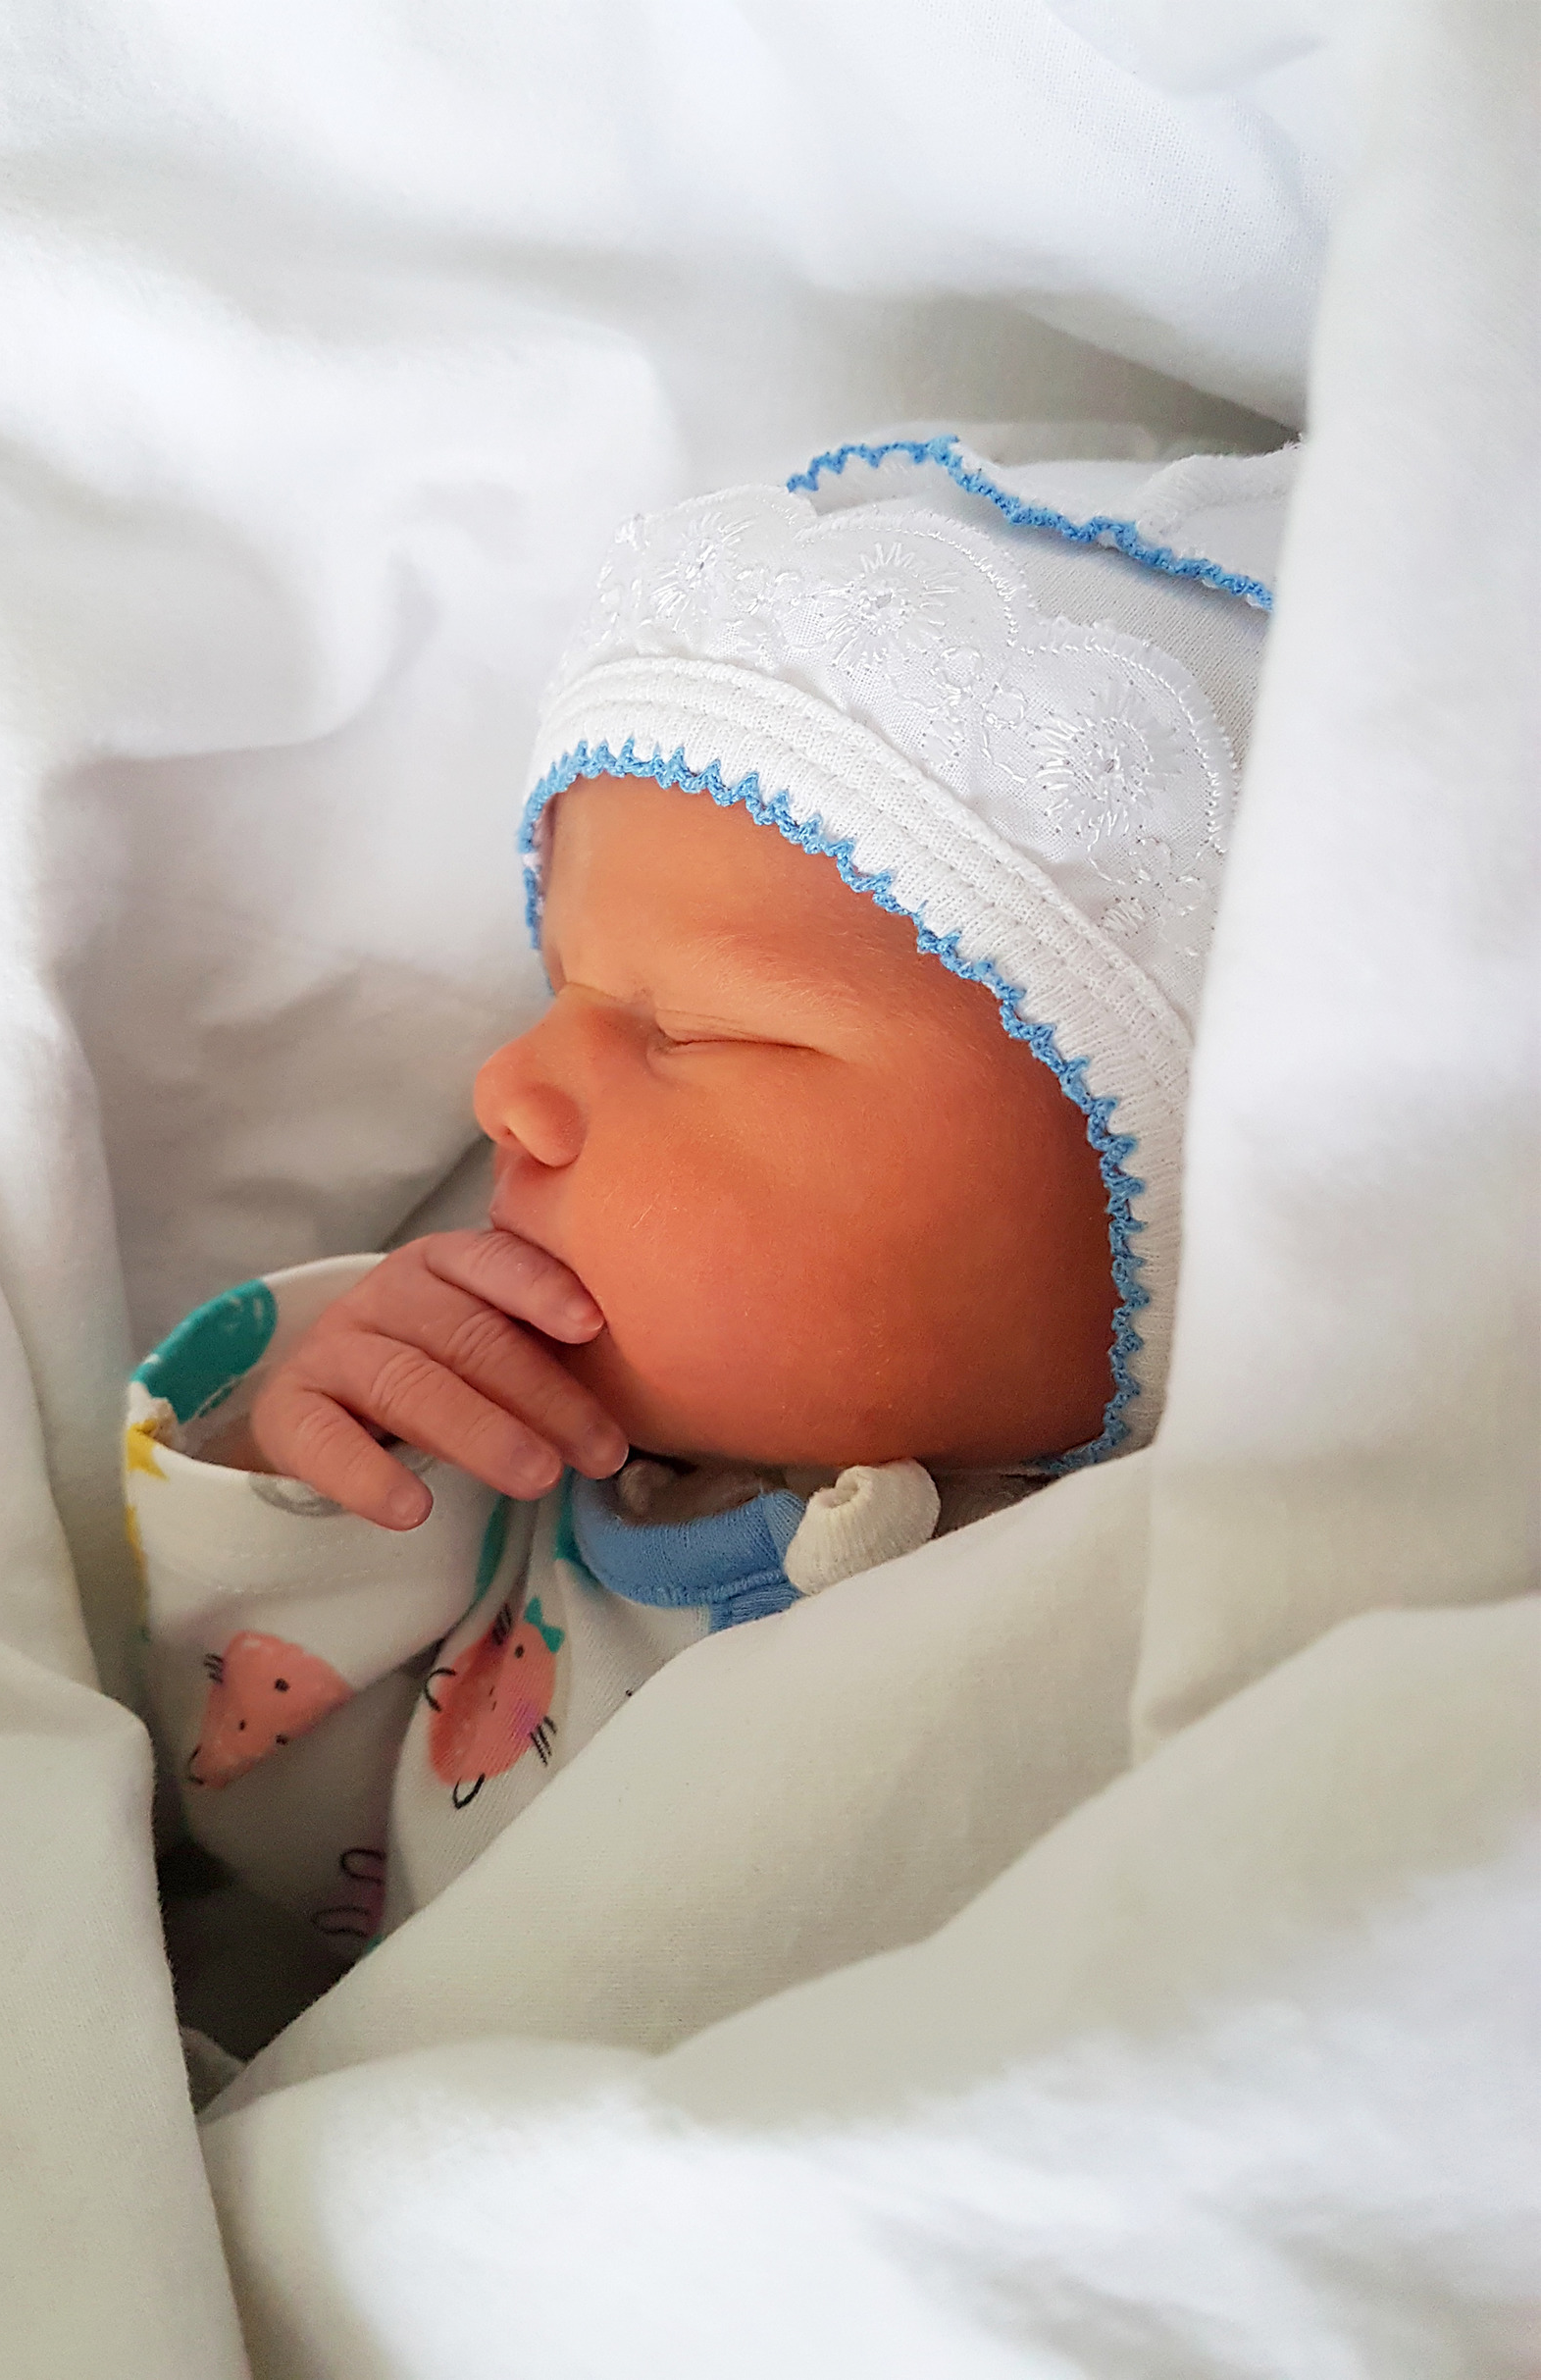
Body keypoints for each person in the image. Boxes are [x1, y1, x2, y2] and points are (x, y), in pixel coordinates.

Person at [126, 427, 1291, 1958]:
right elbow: (280, 1842)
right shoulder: (519, 1530)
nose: (507, 1086)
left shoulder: (1241, 1607)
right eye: (556, 989)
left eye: (695, 1029)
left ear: (1171, 1202)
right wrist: (317, 1467)